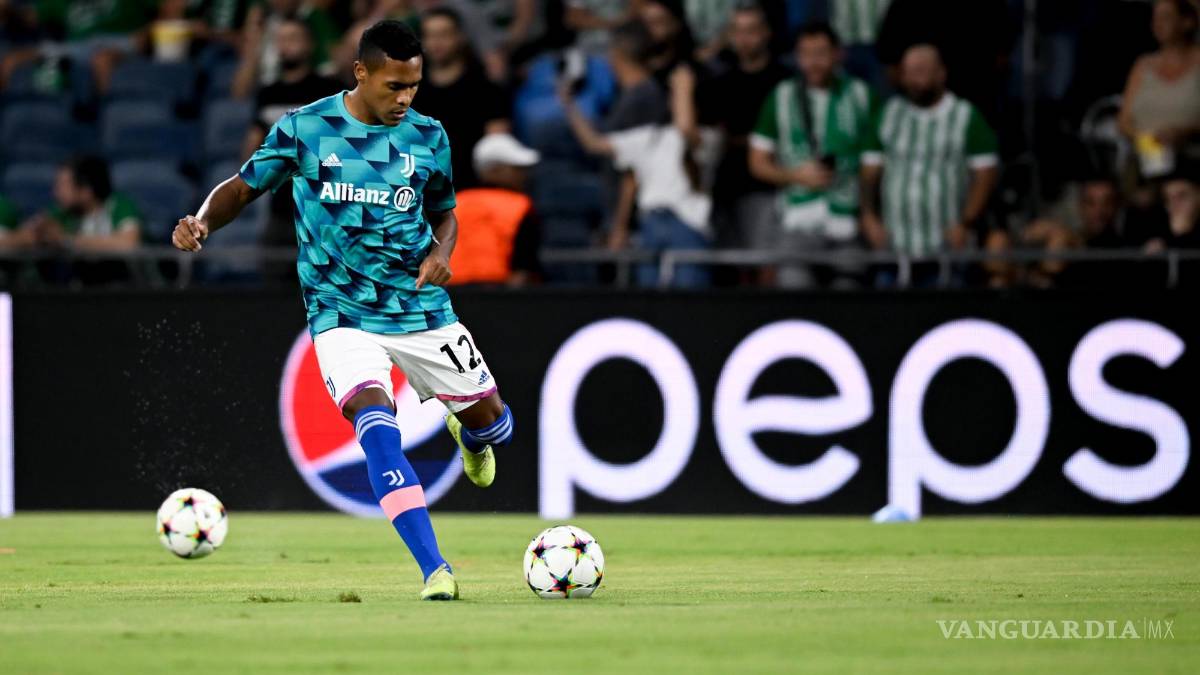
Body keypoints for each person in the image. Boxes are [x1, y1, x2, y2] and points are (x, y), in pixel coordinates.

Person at [171, 20, 514, 601]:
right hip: (340, 313)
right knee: (376, 424)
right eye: (393, 86)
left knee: (497, 425)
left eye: (413, 86)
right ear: (360, 72)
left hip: (418, 307)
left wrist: (441, 253)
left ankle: (470, 434)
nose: (405, 98)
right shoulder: (306, 128)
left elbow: (445, 212)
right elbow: (242, 186)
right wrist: (201, 221)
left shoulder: (429, 135)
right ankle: (435, 569)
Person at [560, 20, 716, 288]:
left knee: (689, 299)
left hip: (686, 223)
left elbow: (686, 131)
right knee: (648, 300)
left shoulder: (707, 139)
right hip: (650, 223)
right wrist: (568, 103)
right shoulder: (650, 137)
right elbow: (596, 144)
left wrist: (683, 87)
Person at [748, 21, 878, 288]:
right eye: (805, 54)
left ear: (838, 54)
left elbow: (872, 164)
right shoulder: (781, 96)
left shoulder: (861, 95)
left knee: (850, 293)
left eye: (820, 53)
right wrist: (795, 176)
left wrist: (868, 212)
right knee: (795, 292)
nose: (813, 62)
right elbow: (757, 162)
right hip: (798, 219)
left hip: (847, 220)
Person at [860, 43, 999, 285]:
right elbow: (869, 172)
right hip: (895, 246)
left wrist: (966, 222)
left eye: (922, 71)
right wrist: (869, 216)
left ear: (941, 73)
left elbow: (985, 174)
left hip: (946, 246)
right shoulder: (888, 115)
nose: (915, 79)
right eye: (909, 72)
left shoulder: (965, 116)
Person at [238, 16, 342, 279]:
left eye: (293, 38)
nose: (286, 45)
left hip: (324, 211)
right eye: (281, 39)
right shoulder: (268, 93)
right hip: (279, 209)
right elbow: (252, 147)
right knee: (272, 285)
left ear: (309, 45)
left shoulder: (329, 90)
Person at [703, 1, 789, 254]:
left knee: (763, 262)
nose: (744, 39)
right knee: (727, 265)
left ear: (766, 33)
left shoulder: (784, 83)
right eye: (737, 31)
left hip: (767, 187)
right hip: (726, 187)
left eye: (751, 30)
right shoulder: (719, 82)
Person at [412, 7, 511, 190]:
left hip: (473, 191)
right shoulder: (408, 91)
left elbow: (497, 151)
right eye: (430, 35)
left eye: (444, 34)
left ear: (460, 37)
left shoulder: (486, 90)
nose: (436, 42)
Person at [1118, 0, 1200, 180]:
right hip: (1146, 160)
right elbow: (1123, 122)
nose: (1157, 24)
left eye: (1166, 17)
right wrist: (1147, 140)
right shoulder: (1143, 65)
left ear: (1187, 22)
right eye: (1154, 18)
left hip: (1191, 161)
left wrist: (1184, 132)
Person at [448, 133, 542, 286]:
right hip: (499, 293)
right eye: (516, 168)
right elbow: (523, 267)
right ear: (494, 170)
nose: (523, 175)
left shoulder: (454, 203)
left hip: (449, 293)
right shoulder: (521, 205)